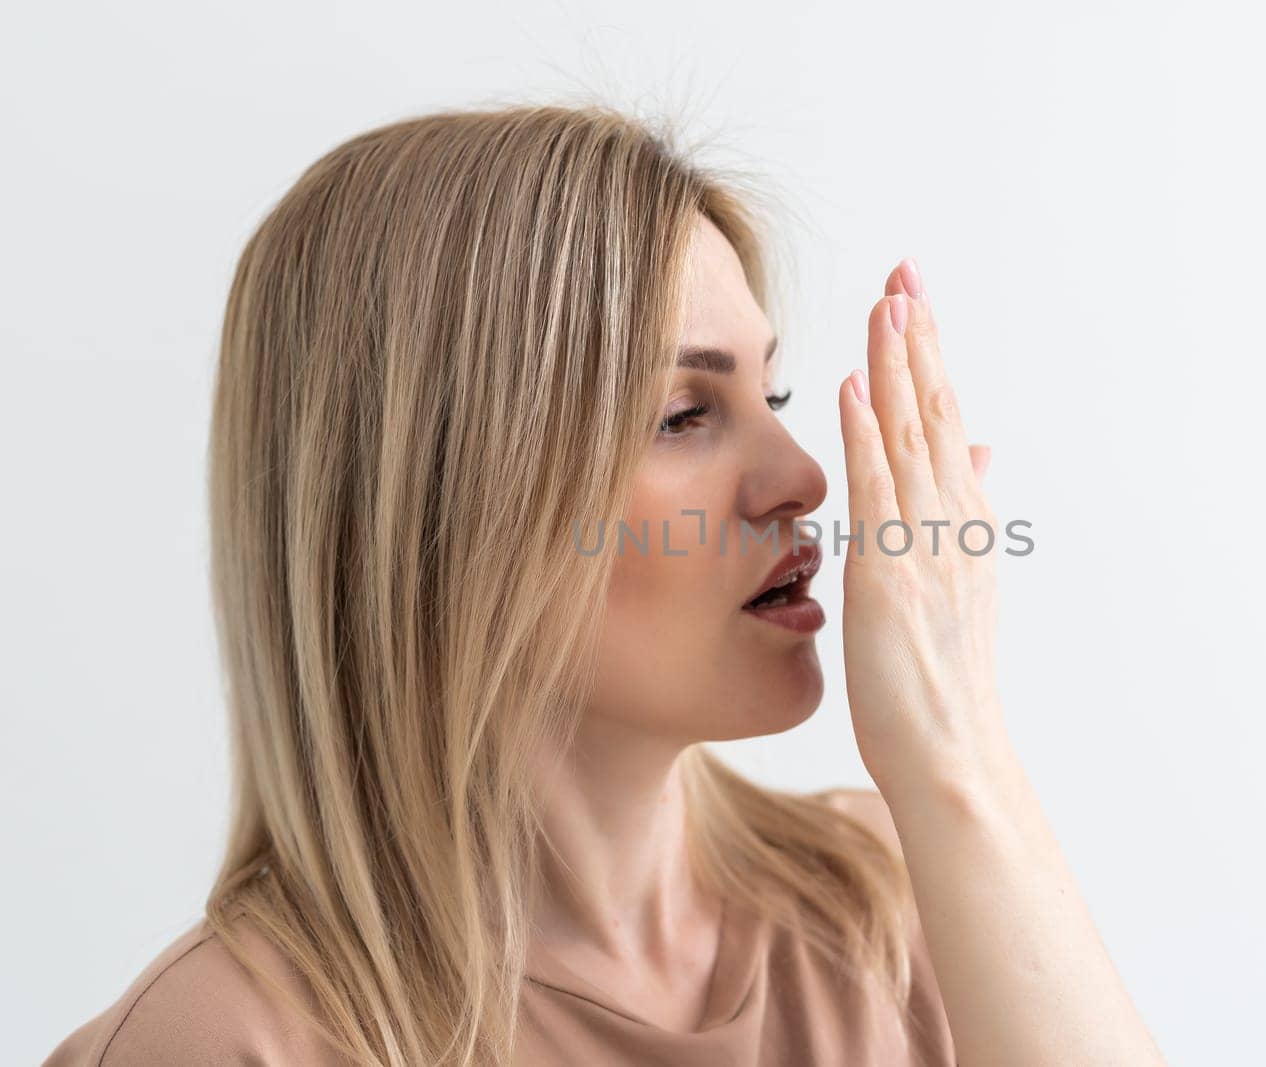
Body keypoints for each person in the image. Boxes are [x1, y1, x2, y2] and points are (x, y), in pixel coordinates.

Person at [44, 102, 1164, 1066]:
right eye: (685, 414)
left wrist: (958, 760)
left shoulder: (889, 895)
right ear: (439, 511)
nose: (803, 476)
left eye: (767, 400)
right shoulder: (228, 1036)